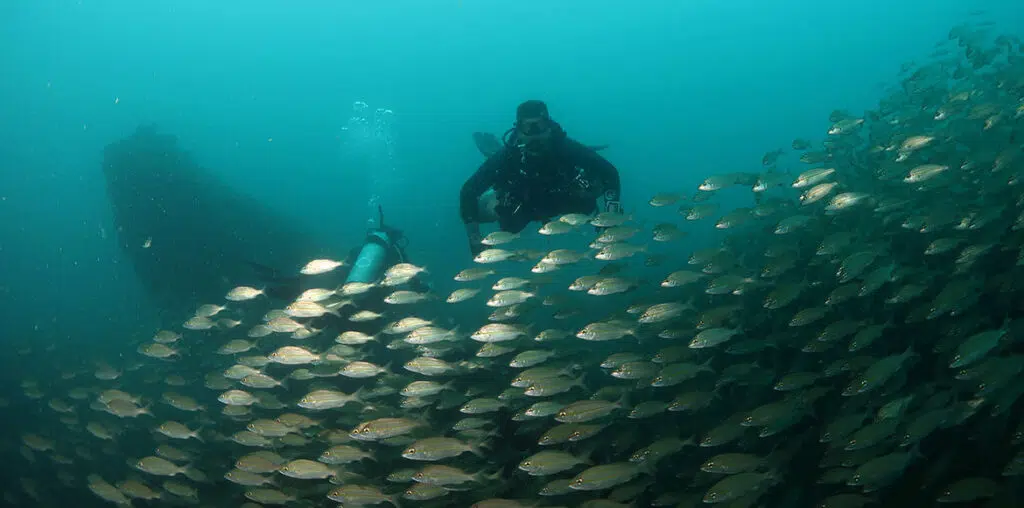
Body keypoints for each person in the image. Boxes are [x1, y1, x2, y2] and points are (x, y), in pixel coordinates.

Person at [459, 100, 622, 256]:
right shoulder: (507, 157)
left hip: (564, 200)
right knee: (489, 211)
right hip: (522, 204)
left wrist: (611, 213)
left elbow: (610, 173)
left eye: (539, 125)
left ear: (549, 126)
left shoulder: (566, 148)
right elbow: (468, 191)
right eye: (527, 127)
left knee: (590, 195)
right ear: (518, 129)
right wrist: (474, 237)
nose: (534, 134)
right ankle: (493, 154)